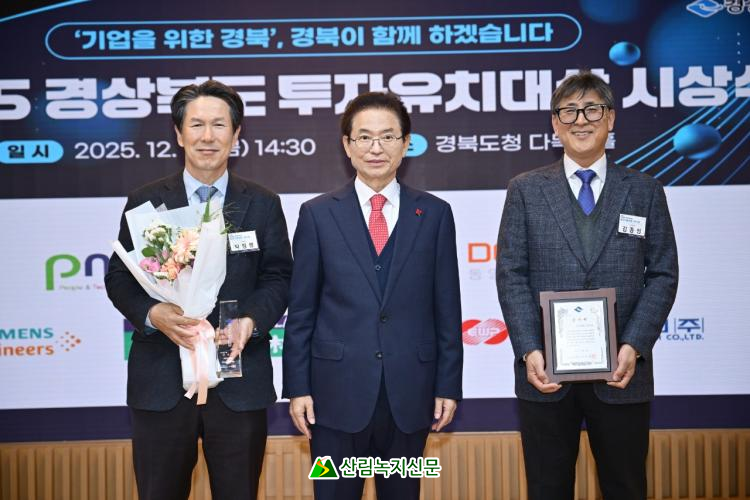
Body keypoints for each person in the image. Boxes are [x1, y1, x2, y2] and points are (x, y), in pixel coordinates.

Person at [105, 79, 292, 500]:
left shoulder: (263, 203)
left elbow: (279, 276)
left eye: (219, 125)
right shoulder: (146, 201)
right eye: (197, 125)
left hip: (238, 376)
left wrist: (251, 321)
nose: (208, 136)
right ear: (178, 133)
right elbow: (119, 277)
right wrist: (153, 314)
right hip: (161, 381)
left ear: (236, 134)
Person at [496, 71, 678, 500]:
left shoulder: (645, 190)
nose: (581, 120)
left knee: (625, 487)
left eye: (592, 109)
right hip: (545, 374)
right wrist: (530, 349)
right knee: (547, 488)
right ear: (555, 123)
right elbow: (511, 273)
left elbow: (663, 273)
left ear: (610, 118)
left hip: (622, 373)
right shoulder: (525, 190)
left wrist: (634, 345)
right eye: (569, 111)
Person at [282, 91, 463, 500]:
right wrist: (298, 388)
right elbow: (302, 311)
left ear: (406, 143)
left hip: (411, 396)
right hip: (332, 398)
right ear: (347, 145)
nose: (375, 148)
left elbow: (447, 309)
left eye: (387, 136)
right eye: (364, 137)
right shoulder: (317, 214)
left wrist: (448, 385)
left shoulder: (435, 214)